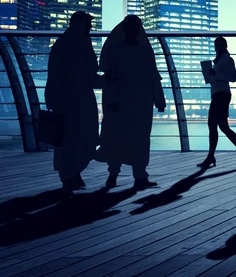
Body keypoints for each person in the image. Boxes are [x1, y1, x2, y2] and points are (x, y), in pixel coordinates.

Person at [95, 15, 166, 189]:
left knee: (117, 136)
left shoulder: (115, 50)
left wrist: (110, 100)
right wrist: (159, 99)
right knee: (139, 138)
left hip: (122, 101)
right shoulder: (144, 50)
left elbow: (110, 77)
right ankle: (138, 176)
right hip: (140, 102)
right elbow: (153, 76)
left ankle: (114, 174)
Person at [45, 11, 102, 192]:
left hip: (70, 99)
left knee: (73, 137)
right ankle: (71, 173)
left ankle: (71, 173)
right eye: (88, 25)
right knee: (78, 136)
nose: (90, 28)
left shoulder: (63, 44)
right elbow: (89, 74)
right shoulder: (79, 46)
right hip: (75, 99)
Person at [198, 36, 236, 169]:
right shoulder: (218, 61)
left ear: (225, 46)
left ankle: (211, 157)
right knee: (222, 127)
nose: (217, 47)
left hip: (222, 95)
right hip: (218, 94)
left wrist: (215, 74)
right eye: (216, 45)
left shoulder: (228, 60)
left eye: (219, 45)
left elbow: (233, 78)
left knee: (213, 125)